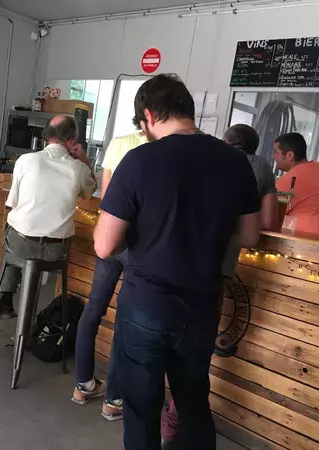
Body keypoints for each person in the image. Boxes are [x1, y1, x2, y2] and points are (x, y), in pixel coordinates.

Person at [93, 74, 261, 449]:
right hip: (202, 306)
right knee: (193, 405)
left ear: (149, 116)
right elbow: (250, 236)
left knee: (141, 410)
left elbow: (104, 246)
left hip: (146, 304)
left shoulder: (139, 160)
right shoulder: (235, 161)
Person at [160, 124, 278, 449]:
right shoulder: (258, 168)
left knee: (163, 342)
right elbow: (264, 226)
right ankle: (177, 422)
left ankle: (166, 421)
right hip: (217, 271)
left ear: (226, 141)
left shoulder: (200, 157)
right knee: (196, 351)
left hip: (173, 264)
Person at [71, 130, 147, 422]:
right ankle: (114, 400)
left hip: (110, 234)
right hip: (138, 244)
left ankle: (83, 385)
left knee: (93, 308)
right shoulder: (161, 147)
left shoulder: (119, 143)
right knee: (125, 320)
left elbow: (105, 195)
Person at [0, 115, 96, 318]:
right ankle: (42, 314)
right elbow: (90, 191)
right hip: (56, 250)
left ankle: (6, 298)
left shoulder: (26, 161)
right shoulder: (78, 168)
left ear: (47, 136)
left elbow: (12, 204)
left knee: (13, 233)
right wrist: (84, 160)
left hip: (22, 244)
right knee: (23, 234)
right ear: (71, 141)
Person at [274, 132, 319, 235]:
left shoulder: (289, 180)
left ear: (289, 155)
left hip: (301, 237)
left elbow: (271, 215)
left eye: (276, 152)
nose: (273, 156)